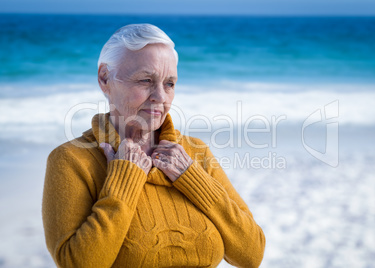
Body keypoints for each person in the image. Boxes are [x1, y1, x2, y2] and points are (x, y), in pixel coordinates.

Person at [42, 23, 265, 268]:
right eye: (146, 80)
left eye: (169, 84)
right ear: (105, 78)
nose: (160, 96)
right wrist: (124, 180)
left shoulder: (194, 152)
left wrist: (192, 178)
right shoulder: (71, 160)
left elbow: (251, 253)